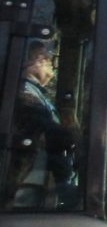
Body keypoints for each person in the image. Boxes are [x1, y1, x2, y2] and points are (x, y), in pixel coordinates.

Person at [12, 42, 77, 209]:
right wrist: (74, 138)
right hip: (24, 182)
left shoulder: (38, 94)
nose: (51, 61)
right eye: (44, 57)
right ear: (27, 62)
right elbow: (41, 128)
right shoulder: (21, 91)